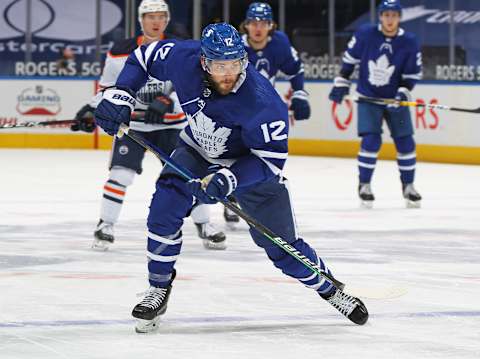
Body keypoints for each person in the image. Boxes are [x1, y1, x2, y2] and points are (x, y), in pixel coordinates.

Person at [94, 22, 369, 333]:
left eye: (234, 64)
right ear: (203, 61)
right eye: (218, 65)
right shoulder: (184, 57)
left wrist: (230, 179)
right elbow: (144, 57)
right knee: (163, 210)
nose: (227, 73)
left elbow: (271, 161)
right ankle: (158, 288)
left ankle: (332, 291)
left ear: (244, 60)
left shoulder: (265, 103)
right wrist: (122, 94)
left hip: (250, 169)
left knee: (281, 247)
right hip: (196, 152)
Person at [72, 0, 226, 250]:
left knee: (189, 176)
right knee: (120, 174)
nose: (155, 21)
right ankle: (105, 225)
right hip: (132, 127)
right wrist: (93, 107)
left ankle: (204, 223)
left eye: (160, 16)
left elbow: (197, 84)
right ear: (141, 20)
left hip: (171, 126)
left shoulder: (179, 46)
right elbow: (108, 87)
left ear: (166, 20)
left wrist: (170, 101)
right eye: (150, 16)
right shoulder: (120, 50)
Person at [217, 2, 311, 225]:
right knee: (235, 153)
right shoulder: (234, 45)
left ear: (271, 26)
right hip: (235, 108)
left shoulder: (279, 43)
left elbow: (295, 69)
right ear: (246, 25)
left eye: (263, 23)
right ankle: (232, 195)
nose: (258, 28)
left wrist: (300, 93)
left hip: (264, 111)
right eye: (253, 23)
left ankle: (262, 196)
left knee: (266, 154)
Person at [329, 0, 422, 209]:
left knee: (406, 141)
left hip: (395, 100)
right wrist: (342, 83)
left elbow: (411, 75)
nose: (390, 19)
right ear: (380, 16)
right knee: (371, 140)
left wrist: (402, 92)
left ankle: (408, 186)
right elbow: (350, 61)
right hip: (368, 97)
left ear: (399, 17)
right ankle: (364, 185)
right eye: (386, 15)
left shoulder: (409, 41)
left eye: (394, 15)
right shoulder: (366, 34)